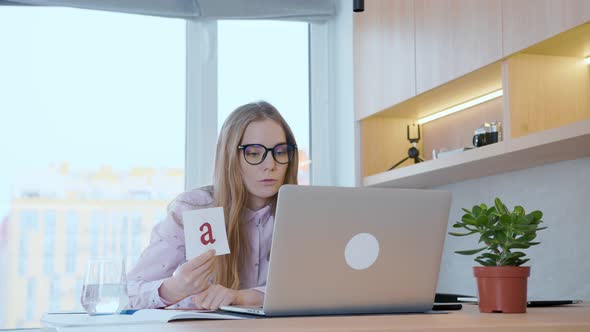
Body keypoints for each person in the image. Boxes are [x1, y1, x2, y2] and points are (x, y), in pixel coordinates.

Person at [127, 101, 298, 310]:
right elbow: (127, 294)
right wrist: (175, 288)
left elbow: (315, 290)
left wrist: (241, 297)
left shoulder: (303, 215)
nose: (270, 165)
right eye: (253, 153)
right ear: (230, 158)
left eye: (280, 152)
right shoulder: (192, 209)